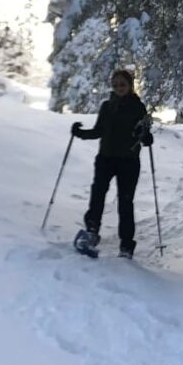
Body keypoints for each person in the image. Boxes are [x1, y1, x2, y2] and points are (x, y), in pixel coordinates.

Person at [71, 69, 153, 259]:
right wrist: (80, 133)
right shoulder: (106, 106)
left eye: (122, 84)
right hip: (105, 158)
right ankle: (91, 232)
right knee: (97, 195)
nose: (118, 88)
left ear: (130, 85)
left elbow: (144, 134)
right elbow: (99, 131)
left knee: (125, 202)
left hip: (128, 161)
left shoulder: (138, 107)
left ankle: (126, 245)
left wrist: (146, 137)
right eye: (115, 85)